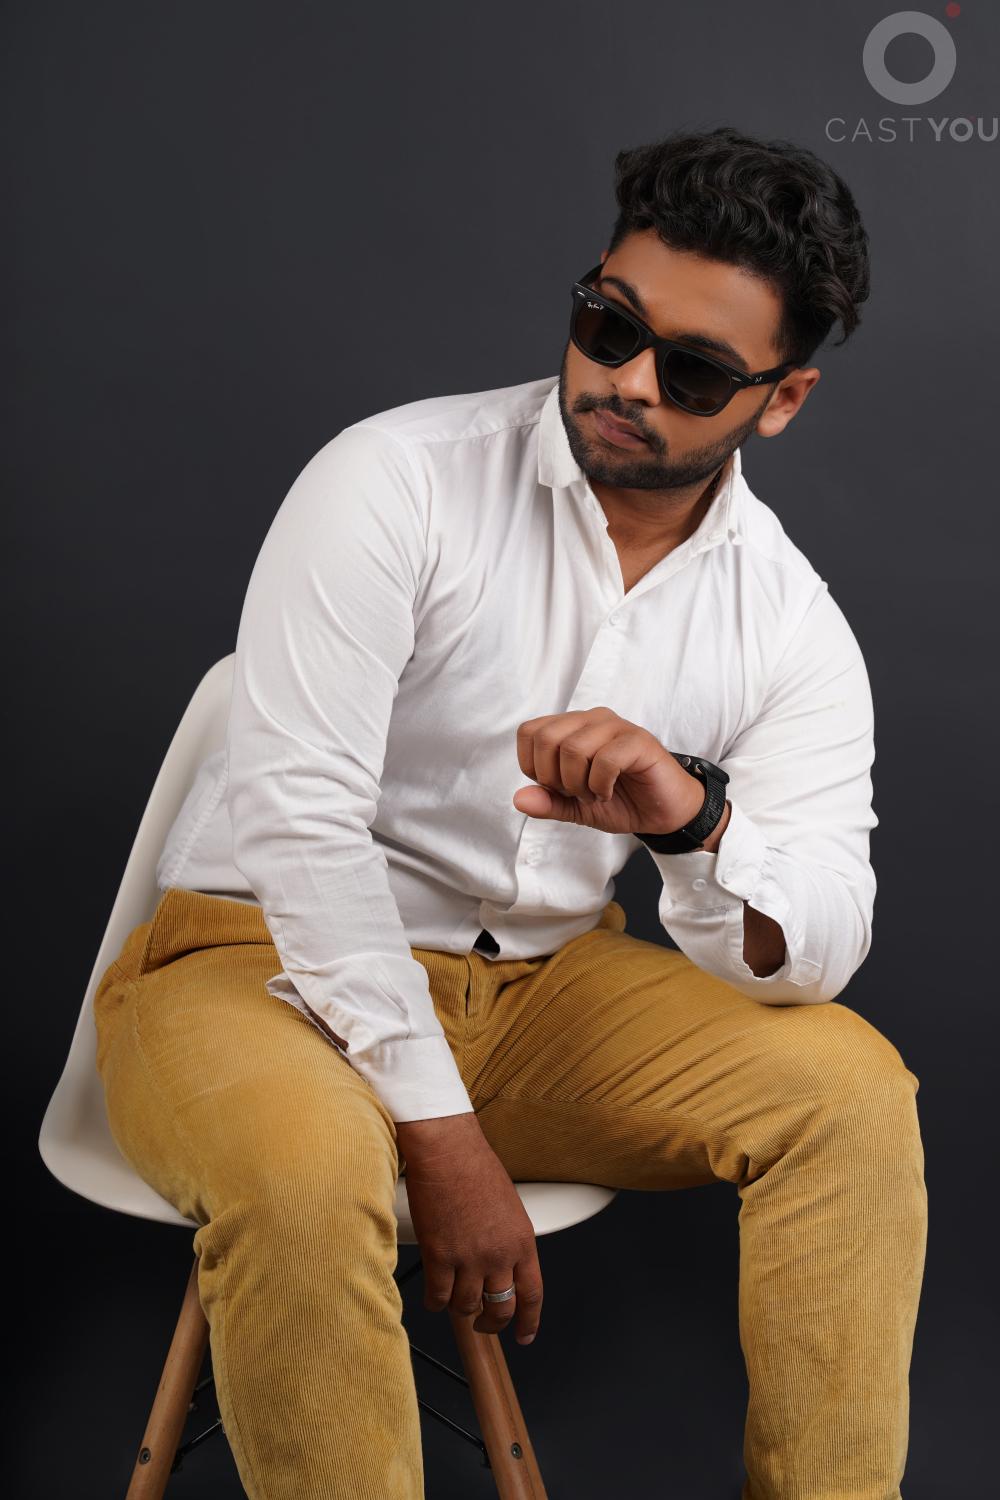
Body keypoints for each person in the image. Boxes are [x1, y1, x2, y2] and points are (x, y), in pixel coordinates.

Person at [93, 124, 927, 1499]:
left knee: (851, 1092)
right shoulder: (396, 479)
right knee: (304, 1178)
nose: (626, 380)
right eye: (609, 324)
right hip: (253, 966)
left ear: (782, 399)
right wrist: (440, 1132)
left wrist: (694, 826)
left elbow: (820, 949)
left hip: (542, 990)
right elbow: (301, 824)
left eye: (694, 370)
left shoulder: (786, 620)